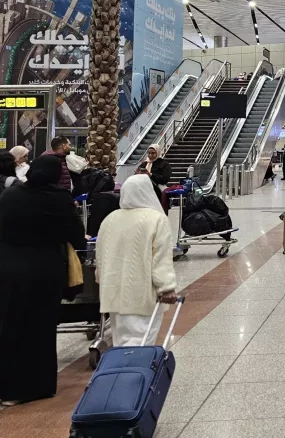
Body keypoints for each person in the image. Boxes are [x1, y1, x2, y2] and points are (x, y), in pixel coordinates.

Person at [0, 155, 87, 405]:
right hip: (43, 270)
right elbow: (76, 236)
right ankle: (34, 386)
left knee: (9, 323)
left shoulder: (10, 196)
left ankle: (6, 387)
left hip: (7, 266)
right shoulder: (58, 198)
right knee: (39, 327)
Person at [96, 175, 178, 347]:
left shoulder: (109, 220)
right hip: (142, 293)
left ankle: (121, 373)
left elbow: (100, 256)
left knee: (120, 342)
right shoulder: (156, 219)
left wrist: (100, 280)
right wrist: (167, 287)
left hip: (113, 292)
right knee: (140, 343)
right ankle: (134, 374)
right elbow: (160, 258)